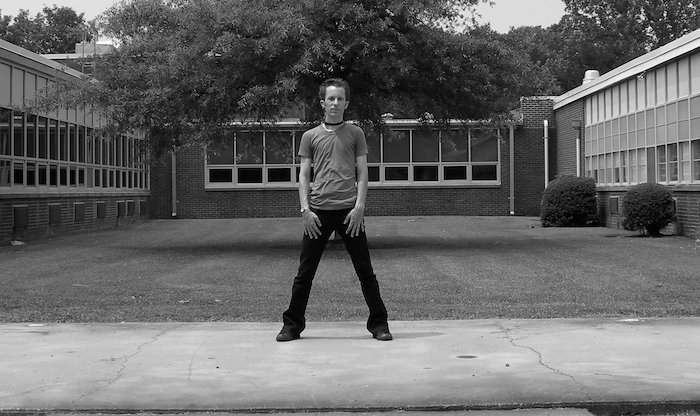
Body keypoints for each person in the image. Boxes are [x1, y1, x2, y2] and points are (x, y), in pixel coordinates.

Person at [277, 78, 392, 342]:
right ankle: (292, 325)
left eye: (340, 99)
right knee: (304, 273)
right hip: (318, 213)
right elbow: (304, 175)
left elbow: (362, 173)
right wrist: (305, 210)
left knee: (365, 272)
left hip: (350, 213)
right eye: (331, 98)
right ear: (323, 103)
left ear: (346, 103)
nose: (335, 103)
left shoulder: (355, 133)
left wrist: (359, 207)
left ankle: (379, 325)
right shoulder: (310, 136)